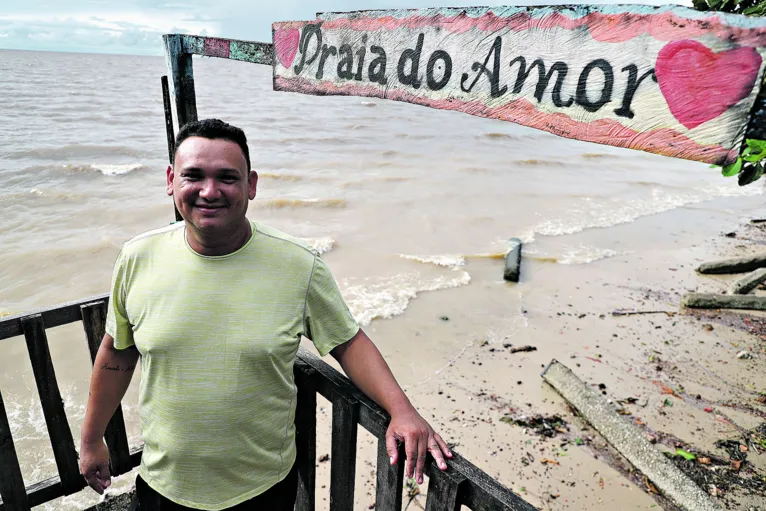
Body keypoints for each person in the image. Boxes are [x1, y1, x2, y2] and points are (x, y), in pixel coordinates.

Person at [79, 118, 452, 510]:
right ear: (171, 180)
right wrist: (91, 441)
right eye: (194, 176)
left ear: (251, 184)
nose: (209, 191)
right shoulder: (137, 258)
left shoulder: (298, 265)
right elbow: (118, 352)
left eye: (227, 177)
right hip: (164, 481)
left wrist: (402, 410)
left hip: (261, 488)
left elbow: (347, 341)